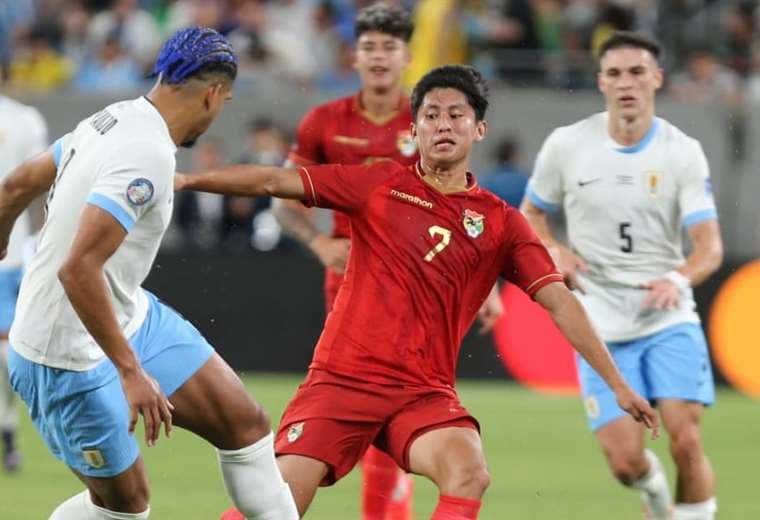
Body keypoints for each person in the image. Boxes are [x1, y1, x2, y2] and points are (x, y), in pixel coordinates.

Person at [178, 64, 659, 520]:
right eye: (431, 115)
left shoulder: (500, 223)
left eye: (456, 115)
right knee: (275, 505)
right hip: (344, 383)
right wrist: (187, 178)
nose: (443, 124)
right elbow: (271, 180)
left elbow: (559, 300)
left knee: (469, 470)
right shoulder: (378, 183)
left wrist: (617, 383)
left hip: (421, 394)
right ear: (416, 130)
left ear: (479, 130)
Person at [0, 27, 299, 520]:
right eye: (224, 102)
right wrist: (130, 371)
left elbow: (17, 184)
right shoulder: (149, 154)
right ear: (212, 95)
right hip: (61, 354)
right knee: (127, 507)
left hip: (127, 316)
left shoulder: (111, 117)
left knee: (245, 424)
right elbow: (78, 269)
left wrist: (4, 230)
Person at [264, 4, 500, 519]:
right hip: (351, 289)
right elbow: (282, 201)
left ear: (406, 57)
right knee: (364, 414)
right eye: (369, 46)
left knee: (403, 420)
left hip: (421, 293)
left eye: (389, 47)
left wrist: (490, 288)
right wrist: (320, 245)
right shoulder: (323, 122)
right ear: (355, 55)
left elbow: (465, 213)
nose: (378, 57)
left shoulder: (427, 119)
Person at [521, 32, 722, 520]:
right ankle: (655, 499)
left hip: (666, 319)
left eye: (637, 72)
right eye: (614, 73)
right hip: (600, 327)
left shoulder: (682, 152)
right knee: (626, 463)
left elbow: (709, 248)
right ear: (600, 83)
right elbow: (530, 214)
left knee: (687, 439)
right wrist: (554, 250)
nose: (626, 82)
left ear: (656, 79)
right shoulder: (567, 144)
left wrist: (676, 281)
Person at [0, 83, 49, 472]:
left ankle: (9, 431)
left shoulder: (23, 118)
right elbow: (41, 187)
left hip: (11, 256)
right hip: (14, 253)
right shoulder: (24, 119)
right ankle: (9, 432)